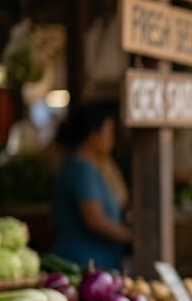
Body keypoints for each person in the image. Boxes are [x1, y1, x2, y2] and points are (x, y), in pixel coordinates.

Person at [50, 104, 132, 270]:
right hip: (81, 264)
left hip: (99, 263)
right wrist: (132, 237)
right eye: (109, 132)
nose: (112, 139)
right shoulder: (81, 169)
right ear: (93, 135)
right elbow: (94, 219)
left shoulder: (94, 166)